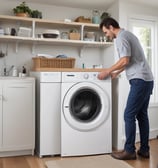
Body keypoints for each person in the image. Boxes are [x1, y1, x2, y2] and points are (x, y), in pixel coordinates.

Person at [98, 17, 154, 160]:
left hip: (139, 80)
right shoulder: (128, 34)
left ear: (111, 27)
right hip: (147, 79)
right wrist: (117, 72)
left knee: (128, 115)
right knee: (141, 115)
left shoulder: (121, 37)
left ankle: (129, 150)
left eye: (106, 32)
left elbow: (125, 60)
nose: (107, 35)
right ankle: (144, 150)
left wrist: (108, 71)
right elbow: (131, 60)